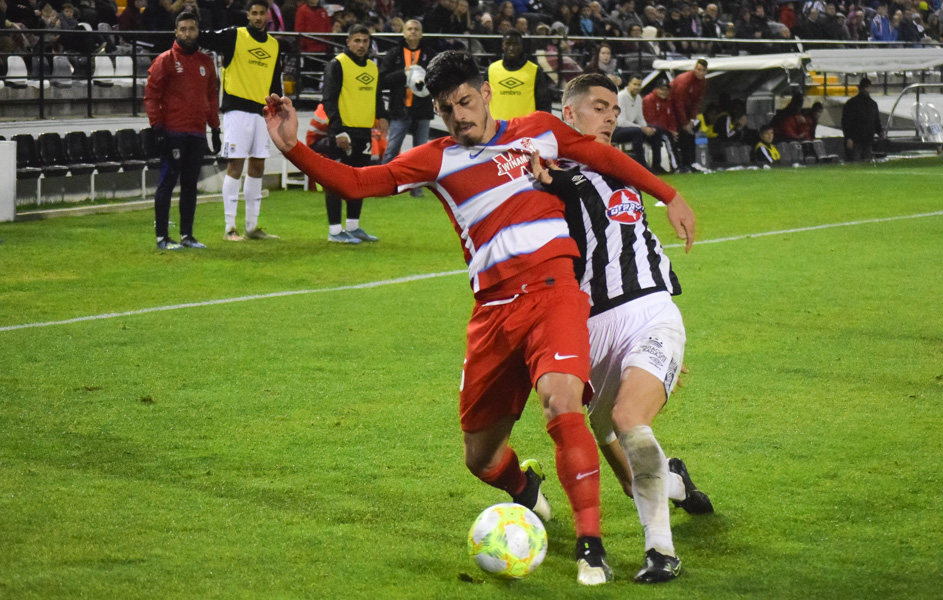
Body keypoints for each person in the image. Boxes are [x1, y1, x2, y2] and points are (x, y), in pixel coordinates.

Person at [265, 50, 695, 586]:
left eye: (465, 102)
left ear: (486, 93)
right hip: (493, 314)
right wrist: (293, 147)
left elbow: (607, 160)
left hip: (555, 293)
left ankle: (592, 546)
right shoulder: (437, 158)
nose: (459, 116)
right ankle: (524, 488)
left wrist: (670, 193)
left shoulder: (538, 130)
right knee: (480, 457)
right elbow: (357, 184)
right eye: (447, 110)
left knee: (563, 404)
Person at [530, 73, 710, 584]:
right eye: (598, 107)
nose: (611, 116)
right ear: (569, 115)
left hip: (651, 310)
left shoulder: (622, 168)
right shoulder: (545, 176)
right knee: (627, 464)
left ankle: (661, 552)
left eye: (614, 108)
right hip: (592, 329)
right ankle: (675, 481)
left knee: (632, 417)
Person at [199, 0, 284, 242]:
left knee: (258, 166)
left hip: (261, 112)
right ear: (248, 15)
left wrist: (277, 107)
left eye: (262, 13)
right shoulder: (234, 35)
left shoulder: (274, 45)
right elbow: (206, 38)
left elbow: (275, 82)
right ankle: (229, 228)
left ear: (268, 16)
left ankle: (252, 227)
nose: (258, 17)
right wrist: (190, 28)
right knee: (235, 166)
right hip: (236, 110)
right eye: (254, 13)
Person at [144, 11, 220, 250]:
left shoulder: (206, 63)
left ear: (198, 31)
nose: (188, 33)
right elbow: (151, 95)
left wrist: (215, 129)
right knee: (167, 182)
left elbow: (211, 97)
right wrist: (157, 127)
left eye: (192, 29)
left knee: (190, 184)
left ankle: (187, 235)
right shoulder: (165, 60)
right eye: (183, 29)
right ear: (176, 32)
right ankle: (162, 237)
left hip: (197, 133)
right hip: (173, 132)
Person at [311, 24, 386, 244]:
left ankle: (353, 226)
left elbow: (377, 95)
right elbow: (329, 100)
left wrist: (382, 116)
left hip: (364, 131)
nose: (362, 45)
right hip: (342, 132)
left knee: (359, 180)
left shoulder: (372, 67)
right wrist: (338, 130)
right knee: (336, 181)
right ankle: (335, 231)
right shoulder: (338, 64)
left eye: (365, 41)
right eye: (357, 40)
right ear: (348, 42)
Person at [380, 18, 435, 196]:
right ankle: (381, 185)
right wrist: (403, 74)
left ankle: (417, 191)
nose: (413, 32)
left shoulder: (430, 54)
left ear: (421, 33)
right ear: (404, 33)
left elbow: (438, 79)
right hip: (399, 109)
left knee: (420, 154)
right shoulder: (394, 53)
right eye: (409, 29)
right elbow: (383, 79)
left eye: (416, 29)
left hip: (422, 109)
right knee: (392, 151)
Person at [487, 29, 549, 120]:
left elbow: (544, 104)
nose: (511, 48)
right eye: (508, 44)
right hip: (497, 130)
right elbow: (483, 102)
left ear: (521, 46)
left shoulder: (534, 71)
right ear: (502, 46)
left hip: (526, 130)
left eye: (515, 44)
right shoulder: (491, 70)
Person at [615, 75, 664, 173]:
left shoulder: (638, 98)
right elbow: (621, 122)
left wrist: (647, 128)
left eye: (639, 85)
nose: (637, 87)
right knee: (637, 131)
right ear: (629, 84)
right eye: (634, 84)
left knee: (657, 130)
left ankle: (657, 166)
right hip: (616, 130)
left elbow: (639, 118)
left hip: (630, 129)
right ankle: (642, 166)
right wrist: (642, 128)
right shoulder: (621, 97)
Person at [670, 58, 709, 172]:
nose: (700, 73)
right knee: (682, 135)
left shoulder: (703, 82)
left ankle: (691, 163)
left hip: (686, 111)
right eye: (698, 69)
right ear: (694, 69)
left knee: (691, 134)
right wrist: (684, 123)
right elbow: (678, 102)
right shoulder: (685, 80)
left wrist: (692, 119)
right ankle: (682, 165)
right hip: (673, 110)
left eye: (703, 71)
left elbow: (697, 101)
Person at [841, 77, 883, 162]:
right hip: (864, 139)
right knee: (864, 162)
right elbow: (876, 121)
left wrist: (848, 137)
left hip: (858, 139)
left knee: (856, 163)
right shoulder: (872, 104)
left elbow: (845, 122)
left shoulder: (851, 103)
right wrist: (880, 132)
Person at [642, 79, 679, 172]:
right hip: (652, 129)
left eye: (666, 89)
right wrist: (669, 131)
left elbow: (671, 118)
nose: (664, 92)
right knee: (668, 138)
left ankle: (687, 164)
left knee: (683, 136)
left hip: (664, 130)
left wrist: (673, 130)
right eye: (661, 89)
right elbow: (650, 120)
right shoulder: (649, 100)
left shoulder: (668, 101)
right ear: (656, 89)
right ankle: (676, 167)